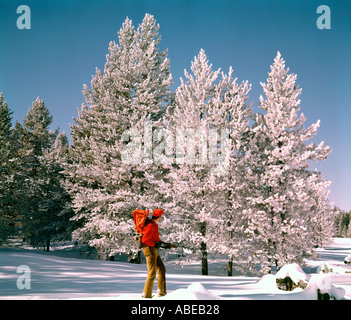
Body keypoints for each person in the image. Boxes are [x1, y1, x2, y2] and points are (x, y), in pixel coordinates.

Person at [141, 208, 167, 298]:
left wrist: (162, 243)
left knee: (162, 269)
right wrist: (154, 244)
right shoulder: (150, 225)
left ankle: (161, 292)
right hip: (149, 249)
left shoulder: (154, 224)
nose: (161, 218)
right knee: (152, 273)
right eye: (161, 216)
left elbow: (155, 238)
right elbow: (145, 240)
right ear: (159, 217)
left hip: (153, 249)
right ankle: (146, 295)